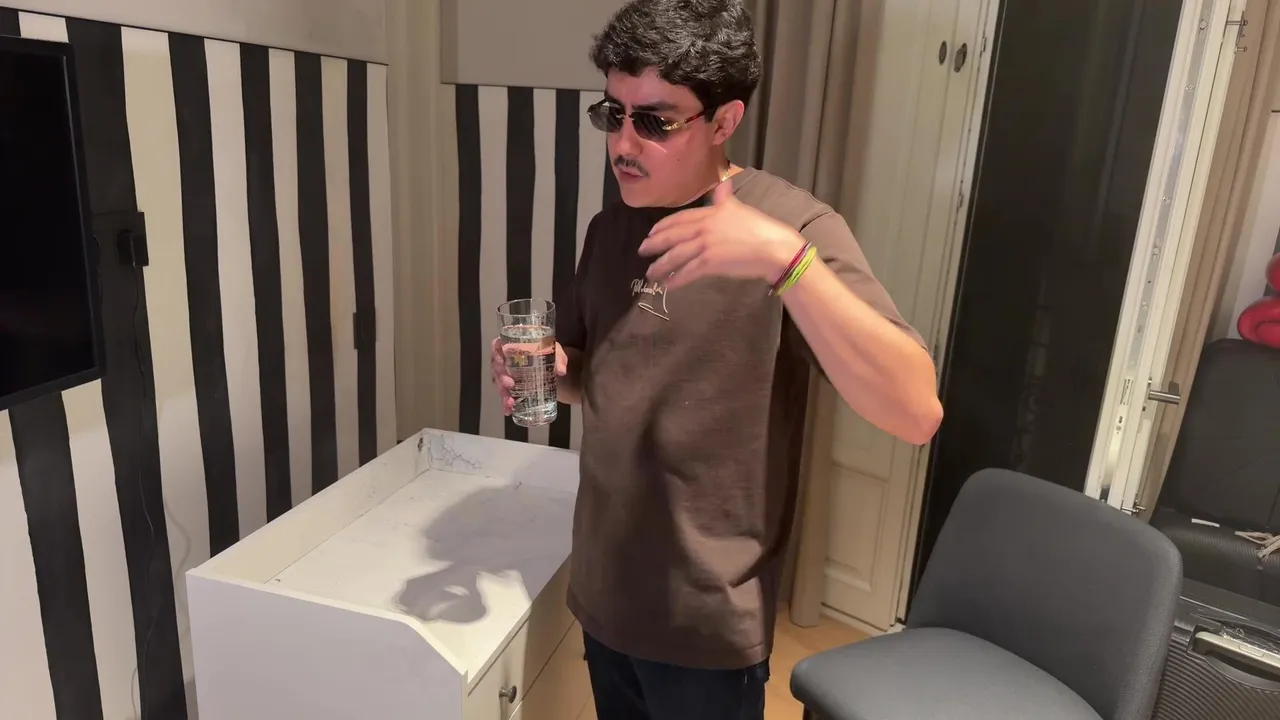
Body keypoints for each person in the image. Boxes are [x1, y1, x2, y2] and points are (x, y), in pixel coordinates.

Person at [490, 1, 943, 717]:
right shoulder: (609, 228)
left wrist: (786, 263)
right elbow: (592, 372)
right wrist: (556, 370)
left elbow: (916, 412)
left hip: (707, 616)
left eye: (655, 121)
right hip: (606, 589)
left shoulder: (793, 228)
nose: (623, 144)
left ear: (725, 121)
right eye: (613, 114)